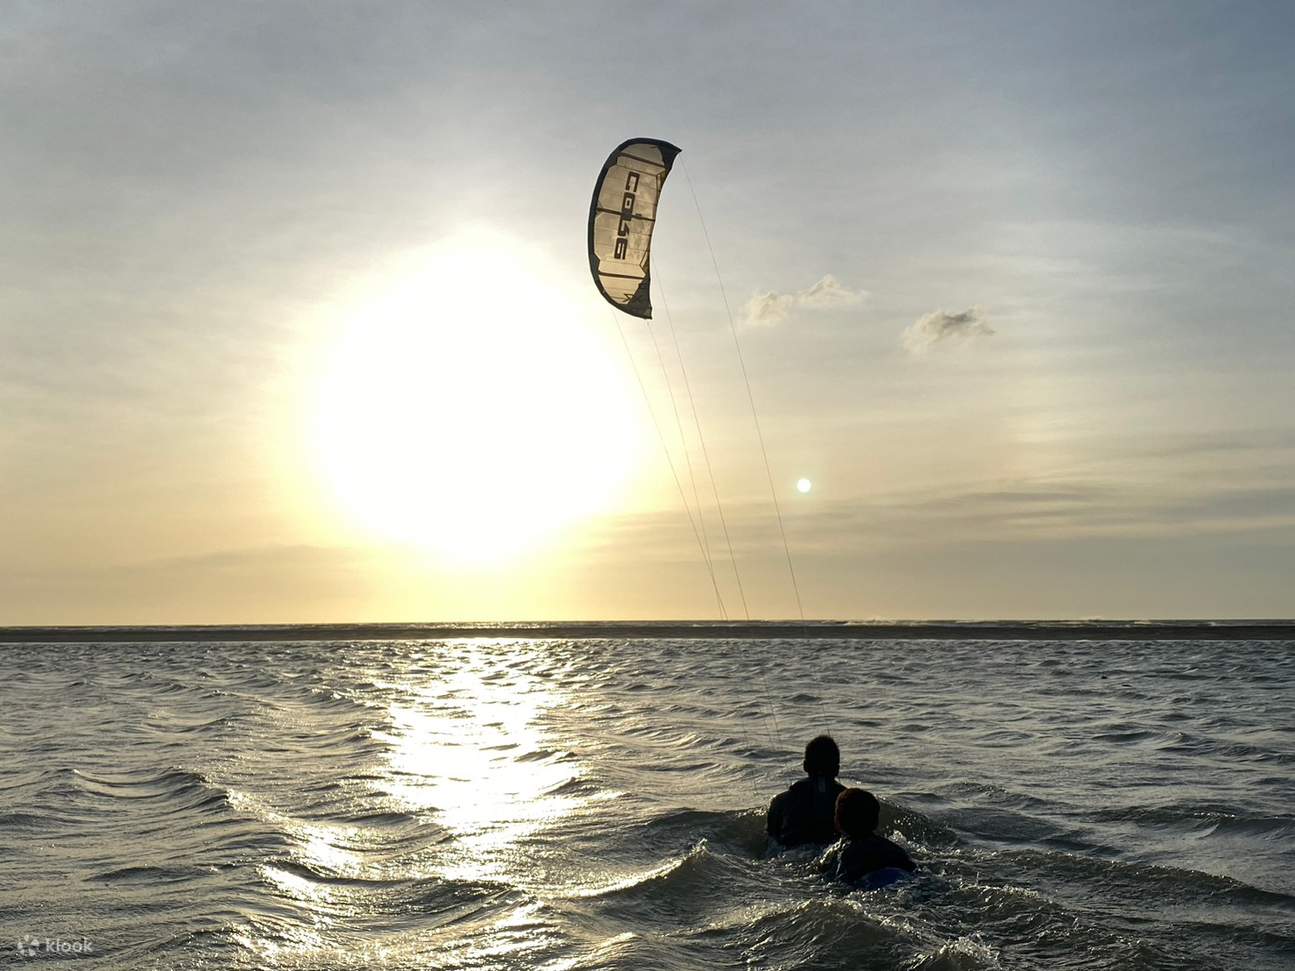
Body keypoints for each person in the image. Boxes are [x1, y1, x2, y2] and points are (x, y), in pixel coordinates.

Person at [822, 787, 915, 884]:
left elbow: (823, 874)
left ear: (837, 822)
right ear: (876, 822)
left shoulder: (840, 853)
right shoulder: (895, 850)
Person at [767, 735, 846, 848]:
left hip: (792, 852)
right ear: (837, 769)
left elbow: (771, 841)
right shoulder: (851, 802)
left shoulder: (780, 801)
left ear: (805, 766)